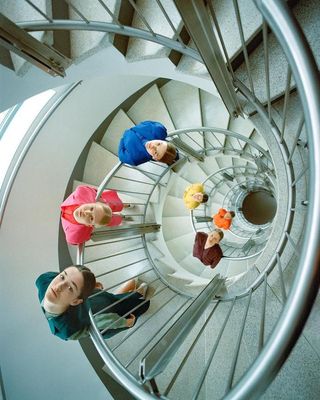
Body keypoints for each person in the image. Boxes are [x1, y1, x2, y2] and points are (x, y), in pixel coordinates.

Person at [36, 265, 150, 341]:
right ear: (75, 301)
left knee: (115, 300)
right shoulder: (67, 329)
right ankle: (136, 293)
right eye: (61, 277)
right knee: (132, 304)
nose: (59, 286)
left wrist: (90, 288)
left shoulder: (44, 280)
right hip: (100, 312)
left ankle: (136, 293)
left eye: (70, 287)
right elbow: (96, 324)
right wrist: (124, 323)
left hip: (97, 300)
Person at [61, 185, 134, 245]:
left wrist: (99, 200)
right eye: (91, 218)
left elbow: (92, 190)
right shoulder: (74, 234)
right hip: (98, 209)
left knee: (113, 204)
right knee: (111, 220)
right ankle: (122, 217)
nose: (86, 212)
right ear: (89, 225)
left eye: (91, 208)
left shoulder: (81, 192)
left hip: (103, 202)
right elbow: (74, 240)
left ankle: (124, 206)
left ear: (92, 203)